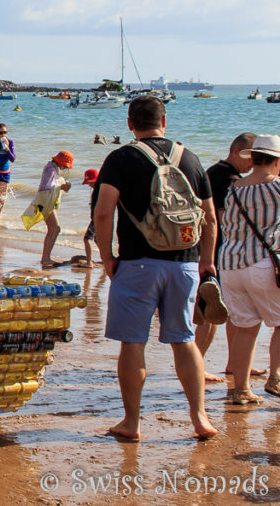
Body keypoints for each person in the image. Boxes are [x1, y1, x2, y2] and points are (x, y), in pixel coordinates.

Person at [93, 95, 217, 440]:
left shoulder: (121, 158)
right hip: (185, 265)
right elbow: (209, 217)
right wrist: (206, 262)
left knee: (133, 343)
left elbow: (104, 211)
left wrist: (106, 257)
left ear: (130, 123)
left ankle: (131, 423)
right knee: (185, 341)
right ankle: (200, 418)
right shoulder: (189, 158)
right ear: (165, 121)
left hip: (137, 264)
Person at [217, 134, 280, 404]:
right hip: (265, 263)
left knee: (245, 327)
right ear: (277, 162)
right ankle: (277, 378)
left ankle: (241, 389)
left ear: (253, 158)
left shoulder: (234, 189)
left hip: (231, 265)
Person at [196, 132, 257, 384]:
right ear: (237, 151)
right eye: (250, 157)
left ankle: (235, 363)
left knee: (231, 311)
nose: (252, 164)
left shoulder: (215, 171)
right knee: (211, 313)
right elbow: (224, 220)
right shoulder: (229, 178)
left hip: (213, 250)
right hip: (218, 252)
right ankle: (196, 364)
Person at [29, 150, 74, 267]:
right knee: (55, 229)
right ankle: (45, 258)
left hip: (44, 201)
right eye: (67, 166)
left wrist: (60, 186)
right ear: (63, 163)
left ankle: (46, 257)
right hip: (44, 202)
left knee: (53, 229)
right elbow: (46, 186)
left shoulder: (51, 167)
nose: (66, 168)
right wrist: (62, 186)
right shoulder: (51, 169)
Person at [79, 168, 100, 267]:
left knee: (87, 239)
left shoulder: (98, 191)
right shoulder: (100, 189)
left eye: (90, 182)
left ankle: (89, 262)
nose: (89, 184)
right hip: (100, 219)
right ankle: (104, 258)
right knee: (98, 240)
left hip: (97, 219)